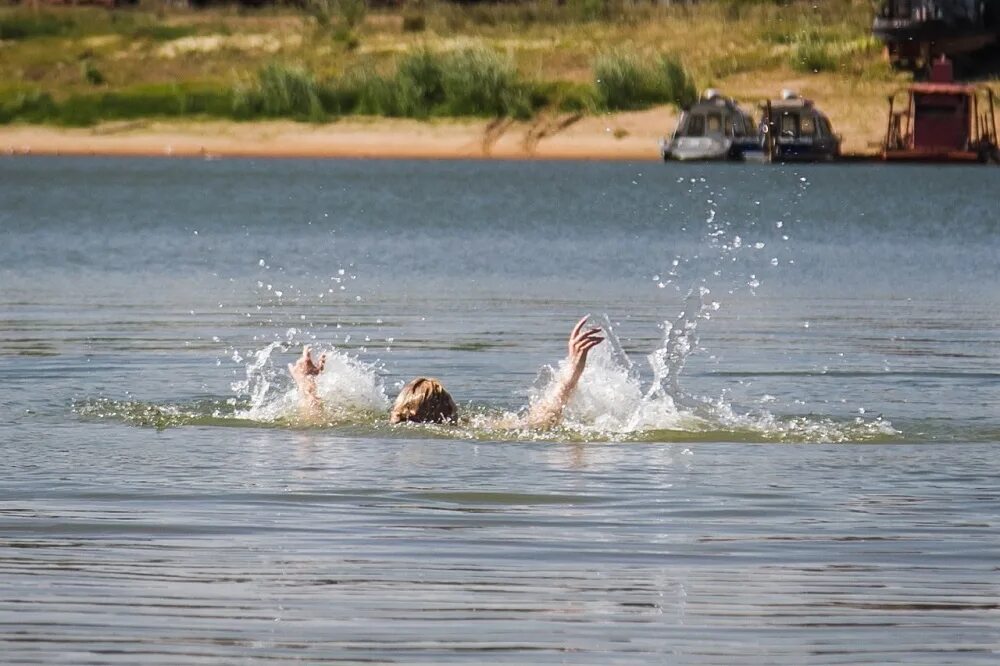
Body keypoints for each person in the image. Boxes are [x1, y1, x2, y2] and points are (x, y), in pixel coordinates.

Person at [288, 316, 604, 428]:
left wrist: (307, 385)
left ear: (398, 409)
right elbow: (540, 420)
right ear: (450, 410)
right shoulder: (466, 427)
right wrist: (572, 370)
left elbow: (316, 423)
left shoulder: (388, 426)